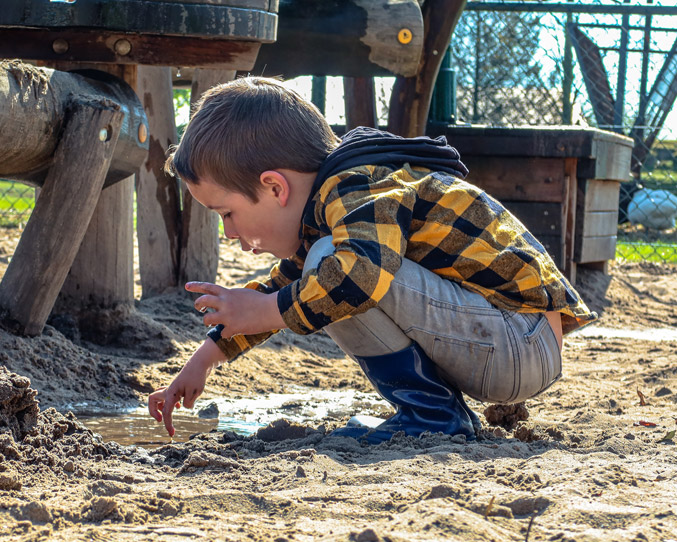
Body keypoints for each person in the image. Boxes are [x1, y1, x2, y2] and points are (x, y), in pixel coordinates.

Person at [148, 76, 595, 443]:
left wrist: (268, 310)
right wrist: (203, 359)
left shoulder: (356, 188)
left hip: (517, 343)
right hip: (509, 342)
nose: (229, 232)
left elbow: (358, 275)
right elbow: (282, 289)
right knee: (322, 269)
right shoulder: (329, 207)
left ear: (274, 187)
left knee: (337, 268)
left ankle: (432, 416)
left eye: (227, 213)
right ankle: (433, 413)